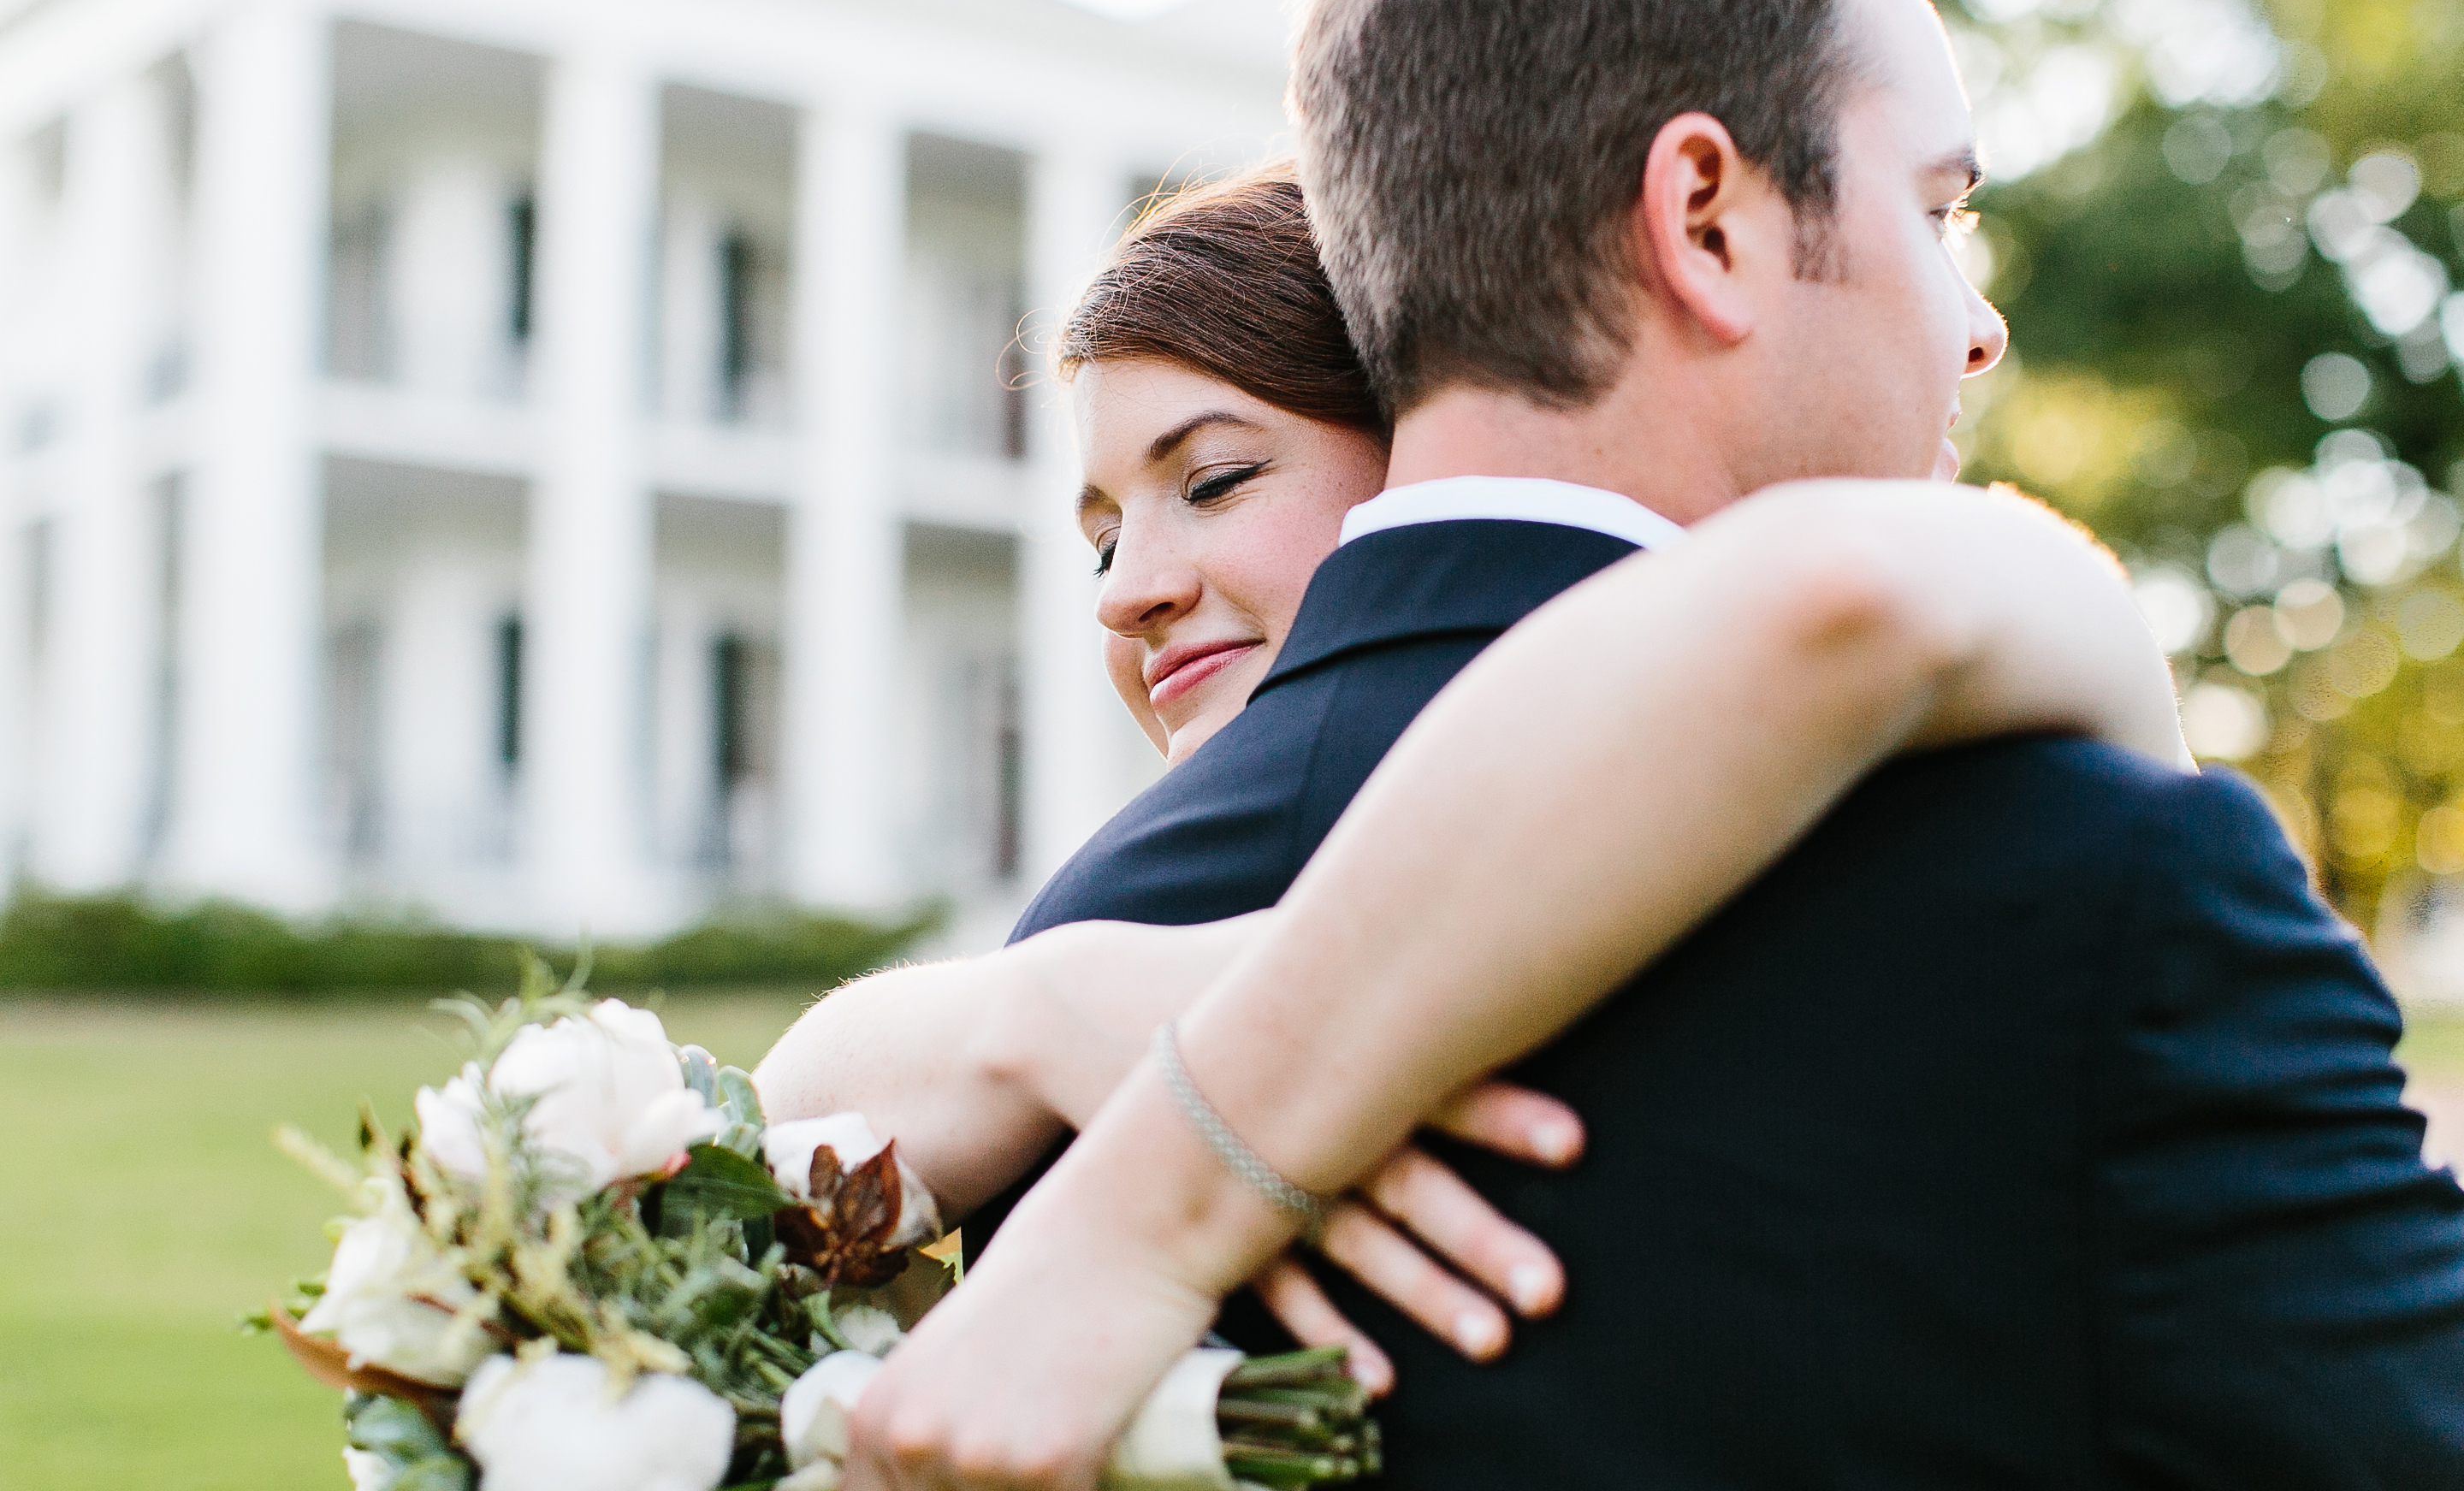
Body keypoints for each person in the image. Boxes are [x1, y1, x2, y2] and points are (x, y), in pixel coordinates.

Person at [826, 0, 2464, 1488]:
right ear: (1705, 217)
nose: (1978, 326)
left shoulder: (1064, 980)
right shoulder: (2107, 884)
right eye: (1939, 211)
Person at [755, 169, 2180, 1387]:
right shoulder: (1131, 920)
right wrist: (1029, 1006)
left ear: (1423, 448)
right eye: (1101, 538)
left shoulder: (1780, 758)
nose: (1126, 590)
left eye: (1215, 481)